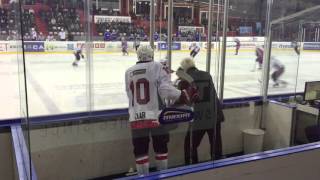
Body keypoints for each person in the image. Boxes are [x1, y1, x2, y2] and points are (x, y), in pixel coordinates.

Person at [125, 45, 199, 176]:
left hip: (136, 118)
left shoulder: (128, 72)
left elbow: (129, 95)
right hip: (156, 117)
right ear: (152, 55)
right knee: (161, 149)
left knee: (140, 152)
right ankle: (163, 176)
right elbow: (165, 90)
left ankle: (143, 178)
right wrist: (182, 94)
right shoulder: (157, 67)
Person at [179, 57, 225, 164]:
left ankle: (192, 168)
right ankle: (219, 166)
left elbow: (181, 97)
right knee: (215, 144)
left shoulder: (186, 78)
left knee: (189, 145)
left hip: (199, 117)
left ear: (184, 69)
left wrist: (181, 76)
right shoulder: (207, 74)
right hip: (214, 114)